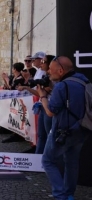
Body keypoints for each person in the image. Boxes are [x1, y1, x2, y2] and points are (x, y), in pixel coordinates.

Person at [37, 56, 90, 200]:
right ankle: (69, 194)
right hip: (82, 129)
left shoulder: (62, 86)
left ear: (60, 71)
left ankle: (60, 195)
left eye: (51, 70)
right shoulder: (84, 80)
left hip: (63, 131)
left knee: (48, 161)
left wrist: (42, 97)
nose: (48, 72)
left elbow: (50, 111)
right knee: (72, 162)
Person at [18, 55, 55, 154]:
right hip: (43, 105)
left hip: (49, 107)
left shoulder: (53, 78)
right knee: (41, 135)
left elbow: (41, 93)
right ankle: (37, 159)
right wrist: (27, 87)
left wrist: (30, 88)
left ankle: (47, 160)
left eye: (44, 62)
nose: (42, 63)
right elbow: (39, 92)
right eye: (42, 61)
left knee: (48, 135)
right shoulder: (45, 75)